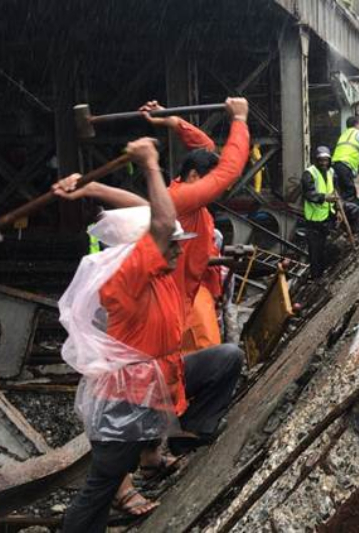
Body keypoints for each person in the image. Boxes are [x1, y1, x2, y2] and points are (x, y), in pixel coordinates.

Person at [58, 139, 244, 532]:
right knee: (100, 488)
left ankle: (186, 434)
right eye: (173, 246)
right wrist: (150, 164)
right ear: (144, 250)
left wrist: (92, 187)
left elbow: (149, 213)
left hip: (157, 385)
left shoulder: (157, 274)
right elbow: (159, 222)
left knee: (226, 358)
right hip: (125, 403)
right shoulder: (127, 278)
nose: (178, 252)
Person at [56, 98, 251, 353]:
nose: (217, 190)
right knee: (201, 352)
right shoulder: (184, 200)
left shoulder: (175, 195)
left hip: (188, 287)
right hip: (180, 294)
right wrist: (239, 119)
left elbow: (205, 149)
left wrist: (174, 122)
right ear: (194, 176)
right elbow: (229, 171)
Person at [301, 146, 337, 279]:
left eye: (326, 160)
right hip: (314, 221)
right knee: (315, 252)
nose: (323, 163)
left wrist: (338, 210)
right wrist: (324, 197)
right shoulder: (309, 173)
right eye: (321, 160)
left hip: (328, 217)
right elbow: (309, 194)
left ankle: (324, 274)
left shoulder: (331, 172)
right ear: (316, 160)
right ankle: (316, 278)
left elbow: (334, 191)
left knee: (325, 249)